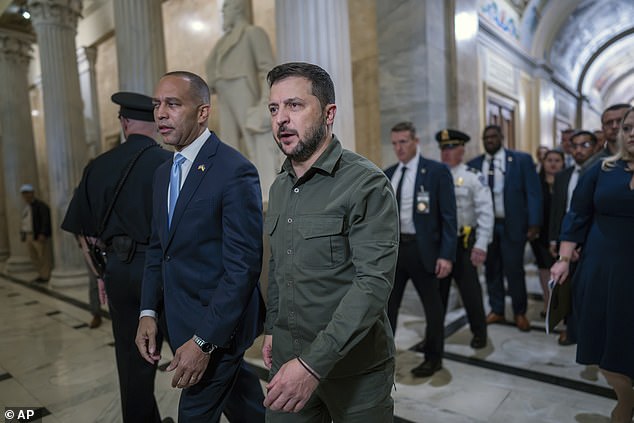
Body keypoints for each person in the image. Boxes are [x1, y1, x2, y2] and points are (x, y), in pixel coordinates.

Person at [262, 62, 399, 422]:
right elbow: (279, 264)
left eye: (294, 105)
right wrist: (273, 328)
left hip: (356, 370)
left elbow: (373, 285)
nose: (281, 119)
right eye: (274, 108)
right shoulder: (278, 187)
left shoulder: (366, 183)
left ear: (328, 113)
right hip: (288, 360)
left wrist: (312, 364)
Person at [135, 71, 265, 422]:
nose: (160, 113)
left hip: (216, 329)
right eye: (156, 104)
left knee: (194, 413)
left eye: (173, 104)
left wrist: (204, 342)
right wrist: (148, 311)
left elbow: (243, 268)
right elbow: (158, 248)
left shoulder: (234, 170)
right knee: (247, 403)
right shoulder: (164, 172)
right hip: (178, 320)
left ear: (203, 112)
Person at [61, 92, 173, 422]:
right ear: (156, 123)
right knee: (190, 352)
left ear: (124, 123)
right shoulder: (168, 163)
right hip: (163, 272)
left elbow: (83, 233)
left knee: (131, 360)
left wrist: (100, 275)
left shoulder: (97, 167)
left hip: (119, 272)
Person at [551, 107, 634, 423]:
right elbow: (577, 215)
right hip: (600, 269)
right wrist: (562, 259)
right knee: (603, 339)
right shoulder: (601, 170)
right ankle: (625, 399)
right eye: (627, 128)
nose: (631, 133)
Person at [385, 122, 457, 376]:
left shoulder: (436, 171)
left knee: (433, 308)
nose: (399, 148)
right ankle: (383, 357)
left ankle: (433, 358)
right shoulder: (389, 173)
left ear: (415, 142)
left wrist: (446, 255)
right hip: (395, 250)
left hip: (424, 250)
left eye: (403, 142)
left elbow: (449, 217)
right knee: (386, 307)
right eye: (395, 143)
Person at [467, 125, 542, 331]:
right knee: (492, 269)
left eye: (493, 136)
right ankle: (497, 310)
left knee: (514, 270)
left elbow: (533, 193)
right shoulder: (474, 165)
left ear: (502, 137)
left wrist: (534, 222)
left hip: (512, 225)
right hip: (486, 228)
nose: (489, 140)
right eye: (485, 137)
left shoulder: (521, 160)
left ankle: (520, 312)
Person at [206, 0, 280, 196]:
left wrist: (266, 101)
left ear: (237, 8)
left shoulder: (251, 33)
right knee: (228, 145)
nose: (223, 13)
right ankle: (234, 191)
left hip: (242, 88)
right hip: (223, 93)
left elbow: (268, 70)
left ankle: (264, 190)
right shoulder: (222, 43)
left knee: (253, 142)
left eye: (226, 8)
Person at [436, 129, 493, 350]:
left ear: (462, 149)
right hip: (441, 245)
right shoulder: (435, 174)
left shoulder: (472, 176)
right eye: (443, 148)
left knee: (470, 293)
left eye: (451, 147)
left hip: (464, 244)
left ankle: (479, 333)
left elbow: (485, 212)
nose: (446, 152)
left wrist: (481, 244)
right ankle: (435, 337)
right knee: (437, 295)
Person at [528, 150, 564, 318]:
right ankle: (548, 302)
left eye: (557, 160)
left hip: (562, 233)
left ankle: (562, 304)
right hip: (541, 233)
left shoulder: (567, 181)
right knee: (544, 268)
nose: (553, 163)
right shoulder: (536, 182)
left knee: (562, 269)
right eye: (549, 160)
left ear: (563, 163)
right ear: (543, 162)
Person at [19, 184, 52, 283]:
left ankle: (45, 276)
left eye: (27, 193)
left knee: (43, 256)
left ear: (32, 193)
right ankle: (41, 274)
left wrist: (43, 233)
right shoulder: (26, 208)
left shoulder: (40, 206)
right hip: (29, 235)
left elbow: (45, 220)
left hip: (37, 235)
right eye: (24, 194)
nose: (26, 196)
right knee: (34, 257)